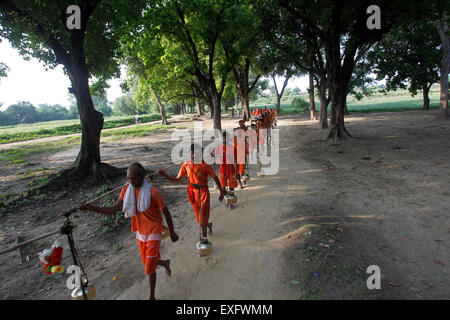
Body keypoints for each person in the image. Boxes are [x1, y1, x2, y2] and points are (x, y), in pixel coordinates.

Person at [79, 162, 178, 300]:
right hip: (140, 232)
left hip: (154, 231)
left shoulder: (153, 192)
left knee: (149, 268)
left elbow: (166, 213)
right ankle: (165, 263)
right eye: (129, 178)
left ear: (142, 177)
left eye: (134, 178)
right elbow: (113, 209)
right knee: (149, 262)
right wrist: (91, 208)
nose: (131, 181)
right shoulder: (127, 189)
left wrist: (172, 232)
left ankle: (152, 297)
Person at [158, 144, 224, 239]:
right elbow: (177, 179)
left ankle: (204, 241)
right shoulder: (186, 164)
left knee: (202, 218)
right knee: (200, 218)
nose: (195, 156)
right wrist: (164, 175)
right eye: (193, 153)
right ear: (191, 153)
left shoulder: (205, 165)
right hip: (192, 192)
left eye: (198, 153)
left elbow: (215, 177)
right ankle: (207, 225)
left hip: (203, 192)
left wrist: (221, 191)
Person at [214, 131, 240, 199]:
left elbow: (235, 161)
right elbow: (215, 159)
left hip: (231, 171)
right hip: (222, 171)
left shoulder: (232, 148)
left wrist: (236, 173)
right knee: (223, 188)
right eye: (223, 138)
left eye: (226, 138)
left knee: (232, 188)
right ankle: (227, 200)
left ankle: (231, 202)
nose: (225, 140)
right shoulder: (218, 148)